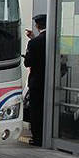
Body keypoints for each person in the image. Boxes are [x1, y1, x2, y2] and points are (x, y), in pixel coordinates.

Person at [24, 14, 47, 146]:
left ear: (38, 26)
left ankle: (37, 138)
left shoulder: (33, 43)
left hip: (36, 82)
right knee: (45, 109)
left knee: (36, 111)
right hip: (49, 81)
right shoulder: (53, 40)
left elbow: (28, 63)